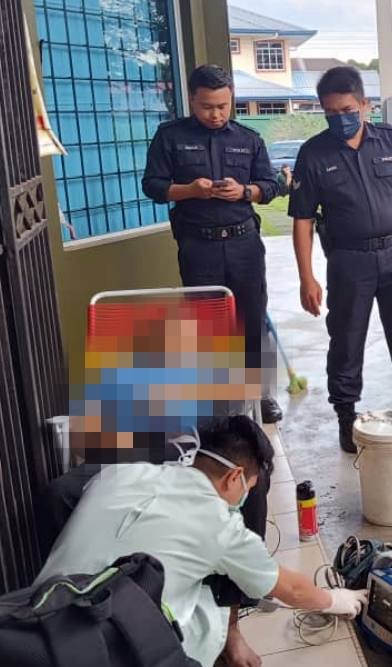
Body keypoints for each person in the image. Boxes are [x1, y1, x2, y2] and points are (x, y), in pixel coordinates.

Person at [36, 416, 367, 667]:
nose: (244, 498)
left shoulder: (117, 474)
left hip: (36, 627)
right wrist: (337, 599)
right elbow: (290, 590)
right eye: (249, 488)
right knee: (208, 611)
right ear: (234, 476)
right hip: (108, 651)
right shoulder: (221, 526)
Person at [288, 67, 392, 453]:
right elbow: (303, 221)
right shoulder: (314, 153)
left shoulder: (390, 141)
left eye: (346, 109)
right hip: (348, 261)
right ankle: (346, 417)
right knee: (345, 341)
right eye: (330, 112)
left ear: (364, 104)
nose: (339, 118)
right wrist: (306, 278)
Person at [142, 64, 284, 425]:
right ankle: (216, 401)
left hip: (244, 243)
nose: (217, 113)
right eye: (207, 106)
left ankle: (261, 393)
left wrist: (244, 191)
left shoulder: (249, 139)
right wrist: (189, 190)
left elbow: (269, 186)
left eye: (223, 105)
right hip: (199, 246)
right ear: (192, 100)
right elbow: (153, 186)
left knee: (253, 321)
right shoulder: (169, 136)